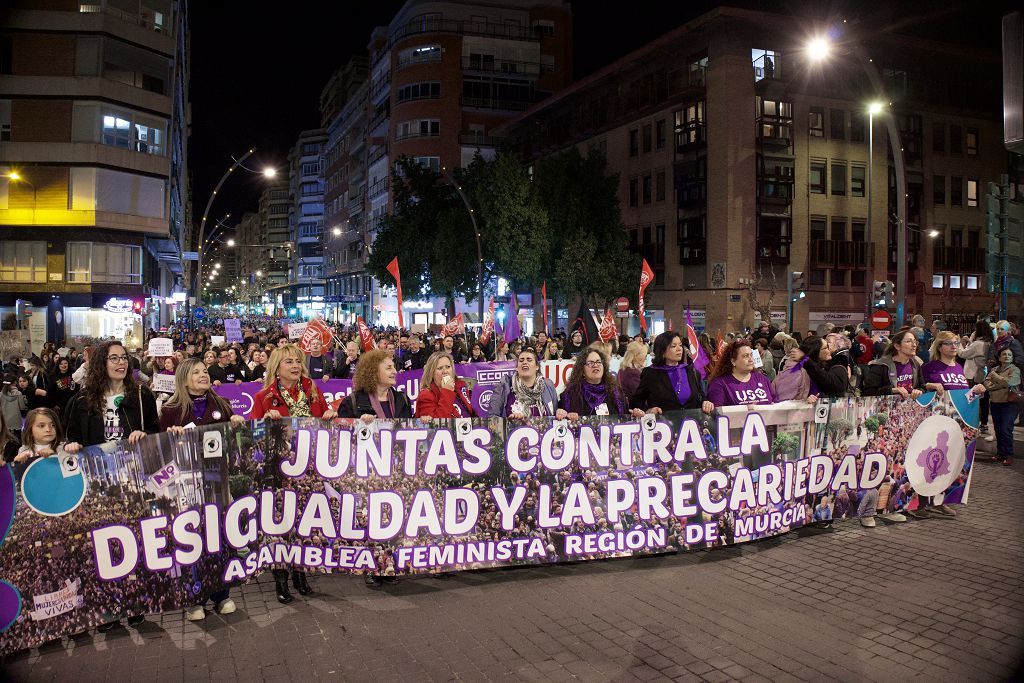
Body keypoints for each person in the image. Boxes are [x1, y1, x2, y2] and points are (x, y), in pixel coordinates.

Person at [62, 340, 158, 631]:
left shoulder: (141, 395)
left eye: (124, 358)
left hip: (133, 481)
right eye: (113, 358)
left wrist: (145, 434)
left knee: (134, 542)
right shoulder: (82, 401)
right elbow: (69, 437)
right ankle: (107, 606)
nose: (121, 363)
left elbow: (155, 432)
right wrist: (71, 445)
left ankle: (134, 603)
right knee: (102, 546)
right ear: (101, 363)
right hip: (98, 483)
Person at [250, 345, 337, 603]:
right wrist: (264, 422)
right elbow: (254, 439)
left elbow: (323, 421)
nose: (296, 366)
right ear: (277, 367)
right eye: (289, 362)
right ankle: (281, 580)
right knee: (281, 526)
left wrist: (330, 416)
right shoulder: (263, 397)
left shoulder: (312, 391)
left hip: (308, 470)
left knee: (304, 525)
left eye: (298, 361)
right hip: (279, 473)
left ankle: (301, 575)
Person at [159, 358, 243, 619]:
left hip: (216, 481)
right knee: (191, 538)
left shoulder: (222, 405)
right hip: (185, 485)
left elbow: (233, 442)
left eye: (205, 371)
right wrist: (170, 437)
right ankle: (193, 598)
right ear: (184, 379)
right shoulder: (171, 410)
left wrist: (237, 424)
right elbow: (159, 450)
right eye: (196, 372)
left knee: (218, 536)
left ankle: (222, 594)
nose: (203, 375)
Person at [629, 332, 705, 415]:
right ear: (662, 351)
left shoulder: (691, 371)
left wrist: (706, 402)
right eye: (673, 346)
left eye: (680, 345)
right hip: (663, 425)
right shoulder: (651, 373)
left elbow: (701, 397)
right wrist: (648, 410)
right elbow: (635, 401)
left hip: (691, 424)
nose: (679, 349)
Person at [337, 349, 413, 421]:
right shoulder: (351, 402)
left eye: (394, 367)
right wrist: (359, 425)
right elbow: (342, 431)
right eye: (389, 368)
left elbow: (411, 430)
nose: (395, 372)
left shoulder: (403, 399)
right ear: (373, 372)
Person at [487, 347, 560, 419]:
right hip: (513, 430)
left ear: (537, 367)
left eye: (529, 360)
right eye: (521, 360)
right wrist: (510, 422)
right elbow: (492, 418)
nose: (525, 362)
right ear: (517, 368)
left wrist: (559, 412)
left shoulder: (548, 385)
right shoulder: (503, 386)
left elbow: (555, 413)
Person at [773, 336, 849, 402]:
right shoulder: (795, 370)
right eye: (826, 348)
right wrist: (805, 402)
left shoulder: (819, 367)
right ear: (815, 351)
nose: (829, 350)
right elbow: (783, 400)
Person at [705, 340, 776, 409]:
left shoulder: (763, 379)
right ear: (733, 361)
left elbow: (774, 403)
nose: (751, 359)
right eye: (745, 356)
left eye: (751, 355)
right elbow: (718, 414)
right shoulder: (719, 384)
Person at [560, 348, 627, 417]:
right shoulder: (571, 394)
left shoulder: (616, 391)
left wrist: (634, 413)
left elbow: (626, 416)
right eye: (590, 363)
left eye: (598, 362)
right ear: (582, 370)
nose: (595, 365)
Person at [984, 346, 1020, 467]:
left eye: (1009, 355)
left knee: (1006, 429)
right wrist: (1001, 383)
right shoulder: (994, 369)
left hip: (1009, 404)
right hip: (995, 403)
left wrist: (996, 378)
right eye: (1004, 354)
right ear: (999, 357)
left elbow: (1010, 383)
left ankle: (1009, 455)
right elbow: (987, 385)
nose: (1007, 356)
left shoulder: (1014, 370)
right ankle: (1000, 453)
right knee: (998, 429)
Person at [861, 330, 924, 398]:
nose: (914, 345)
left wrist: (919, 391)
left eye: (915, 341)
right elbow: (867, 392)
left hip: (909, 406)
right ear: (897, 346)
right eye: (909, 341)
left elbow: (922, 386)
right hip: (888, 407)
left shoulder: (915, 364)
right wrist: (892, 390)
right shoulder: (881, 365)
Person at [415, 351, 475, 419]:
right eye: (440, 368)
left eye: (448, 367)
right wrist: (447, 392)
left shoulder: (461, 387)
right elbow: (433, 425)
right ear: (431, 373)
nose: (445, 371)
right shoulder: (426, 396)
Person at [11, 408, 64, 484]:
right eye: (42, 426)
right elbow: (21, 478)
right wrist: (17, 463)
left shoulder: (62, 447)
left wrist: (55, 455)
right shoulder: (23, 450)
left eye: (53, 425)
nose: (48, 429)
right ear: (30, 430)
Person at [959, 320, 993, 439]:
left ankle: (972, 422)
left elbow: (963, 354)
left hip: (972, 375)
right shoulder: (988, 342)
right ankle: (983, 423)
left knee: (972, 399)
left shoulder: (978, 343)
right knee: (983, 400)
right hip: (981, 374)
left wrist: (959, 342)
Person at [2, 374, 27, 441]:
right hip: (16, 421)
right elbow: (22, 407)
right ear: (15, 382)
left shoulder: (1, 394)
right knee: (18, 440)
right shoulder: (18, 394)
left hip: (4, 421)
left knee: (6, 441)